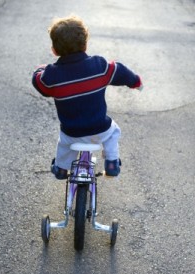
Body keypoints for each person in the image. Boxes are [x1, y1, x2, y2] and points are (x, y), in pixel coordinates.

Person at [32, 15, 143, 179]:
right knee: (113, 132)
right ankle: (112, 163)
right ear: (85, 44)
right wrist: (135, 82)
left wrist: (39, 71)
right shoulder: (100, 66)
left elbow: (40, 85)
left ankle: (61, 168)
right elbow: (120, 71)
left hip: (71, 132)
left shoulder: (51, 75)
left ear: (54, 50)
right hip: (99, 129)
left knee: (63, 145)